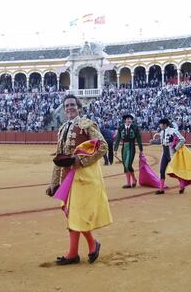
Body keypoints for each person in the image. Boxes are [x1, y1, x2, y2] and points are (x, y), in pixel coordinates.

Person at [46, 94, 112, 266]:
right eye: (66, 105)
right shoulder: (62, 129)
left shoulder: (86, 124)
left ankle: (77, 251)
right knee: (72, 214)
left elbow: (103, 146)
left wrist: (81, 161)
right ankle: (85, 247)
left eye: (72, 105)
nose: (69, 108)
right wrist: (54, 182)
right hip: (68, 176)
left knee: (76, 214)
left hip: (84, 176)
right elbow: (59, 156)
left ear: (79, 107)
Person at [151, 118, 186, 194]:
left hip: (171, 152)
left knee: (176, 170)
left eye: (160, 124)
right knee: (162, 170)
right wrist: (153, 142)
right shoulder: (162, 132)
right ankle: (161, 189)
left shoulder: (173, 131)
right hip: (165, 152)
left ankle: (182, 186)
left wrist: (176, 148)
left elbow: (182, 139)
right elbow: (161, 141)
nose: (159, 125)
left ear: (164, 124)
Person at [114, 114, 143, 188]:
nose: (129, 120)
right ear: (125, 120)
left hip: (131, 147)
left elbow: (139, 139)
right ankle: (128, 183)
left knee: (128, 164)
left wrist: (141, 149)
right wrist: (115, 150)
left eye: (130, 119)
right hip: (124, 147)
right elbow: (117, 139)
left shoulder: (135, 127)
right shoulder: (121, 128)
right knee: (125, 165)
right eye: (128, 119)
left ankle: (134, 179)